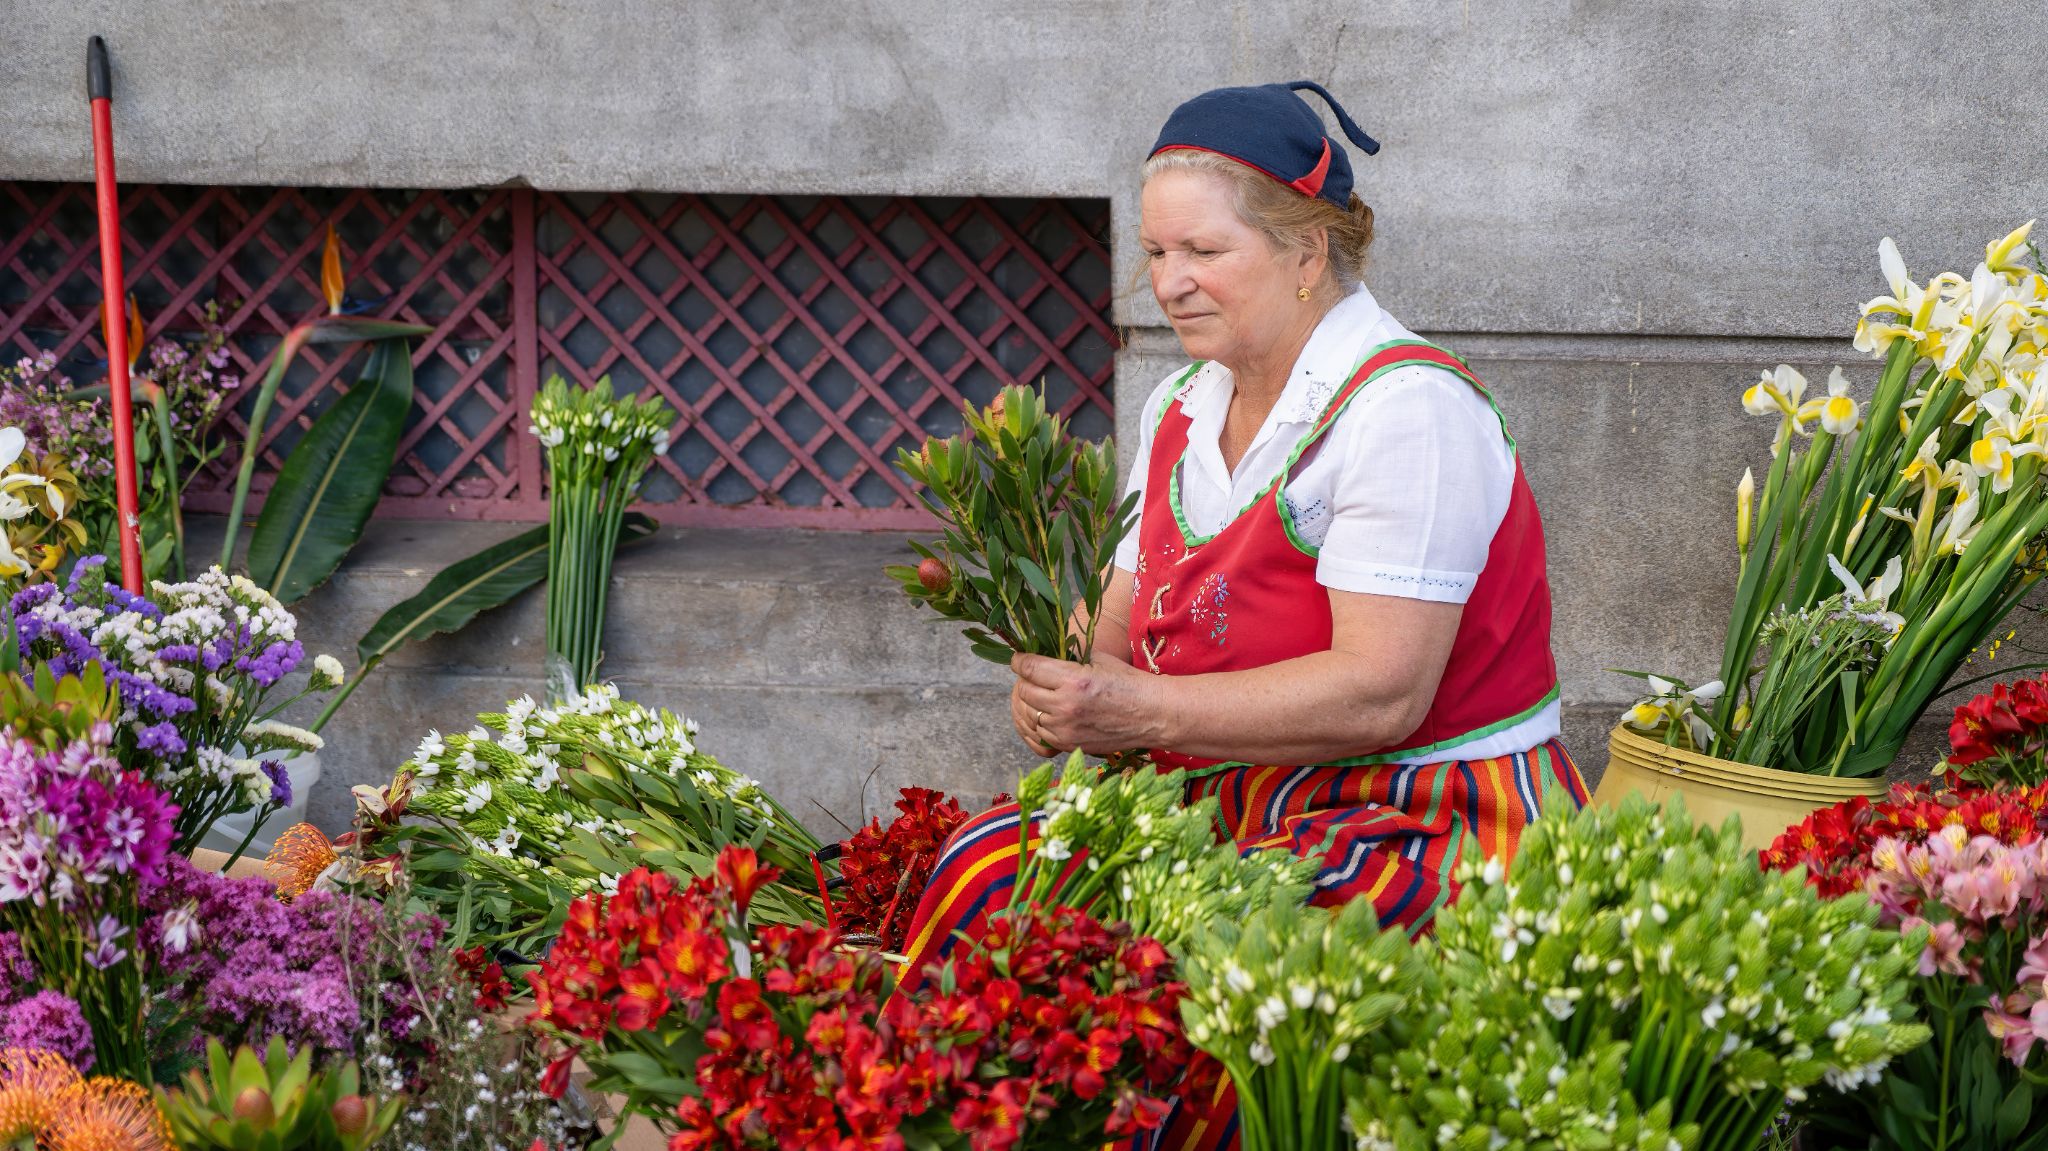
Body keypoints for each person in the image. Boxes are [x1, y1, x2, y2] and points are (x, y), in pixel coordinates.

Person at [900, 81, 1587, 1150]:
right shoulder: (1184, 403)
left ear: (1308, 252)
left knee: (1219, 957)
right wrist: (1068, 682)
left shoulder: (1404, 409)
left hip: (1421, 808)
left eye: (1201, 252)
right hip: (1236, 792)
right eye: (1155, 253)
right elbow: (1122, 620)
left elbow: (1379, 692)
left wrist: (1133, 709)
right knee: (986, 871)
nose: (1167, 283)